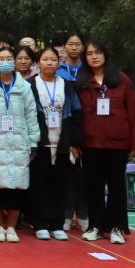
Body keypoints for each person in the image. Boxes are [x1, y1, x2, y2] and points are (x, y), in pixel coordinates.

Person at [76, 41, 135, 244]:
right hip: (91, 144)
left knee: (116, 187)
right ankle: (95, 226)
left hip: (118, 144)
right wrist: (76, 142)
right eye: (89, 53)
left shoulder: (121, 79)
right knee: (93, 187)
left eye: (97, 52)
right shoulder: (82, 82)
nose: (94, 56)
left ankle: (116, 227)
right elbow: (76, 115)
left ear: (105, 54)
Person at [0, 46, 39, 243]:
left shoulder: (24, 87)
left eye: (8, 58)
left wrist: (34, 142)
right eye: (1, 58)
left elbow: (31, 116)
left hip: (19, 140)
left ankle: (11, 227)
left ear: (14, 62)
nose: (5, 61)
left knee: (17, 185)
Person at [28, 47, 82, 241]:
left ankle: (57, 224)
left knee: (60, 184)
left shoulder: (66, 85)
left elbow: (76, 112)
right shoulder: (30, 84)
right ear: (38, 63)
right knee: (39, 183)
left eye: (53, 59)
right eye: (45, 59)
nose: (49, 62)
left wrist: (74, 142)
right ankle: (40, 223)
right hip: (39, 141)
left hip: (62, 141)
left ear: (59, 63)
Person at [56, 31, 89, 233]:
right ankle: (67, 214)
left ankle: (84, 213)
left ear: (83, 47)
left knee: (85, 174)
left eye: (78, 44)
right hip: (65, 124)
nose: (74, 47)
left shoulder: (89, 69)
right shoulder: (59, 71)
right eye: (71, 44)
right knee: (67, 174)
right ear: (64, 47)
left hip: (90, 125)